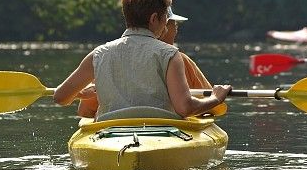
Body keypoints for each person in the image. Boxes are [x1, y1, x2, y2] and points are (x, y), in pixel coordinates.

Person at [53, 0, 231, 119]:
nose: (166, 27)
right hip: (161, 130)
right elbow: (185, 108)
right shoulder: (169, 54)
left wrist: (79, 94)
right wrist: (216, 98)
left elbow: (60, 97)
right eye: (164, 20)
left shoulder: (98, 54)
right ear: (154, 19)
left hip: (109, 132)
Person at [76, 7, 212, 118]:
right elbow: (216, 108)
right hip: (168, 129)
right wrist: (216, 99)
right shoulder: (178, 60)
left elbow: (85, 111)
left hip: (114, 129)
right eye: (172, 24)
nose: (176, 29)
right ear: (158, 23)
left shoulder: (107, 57)